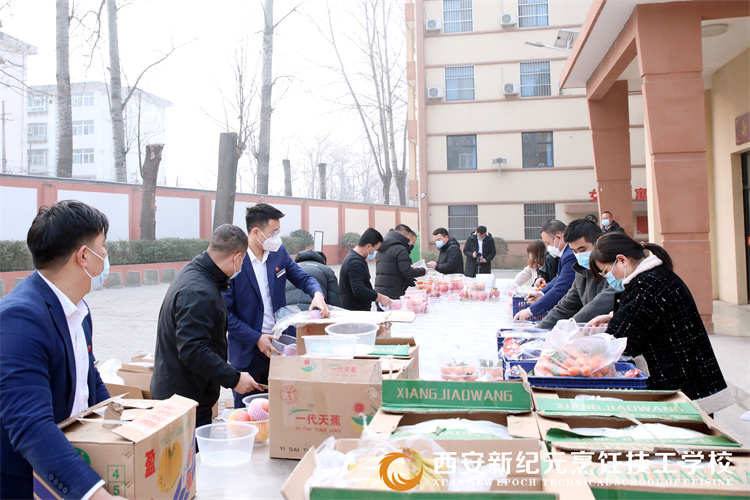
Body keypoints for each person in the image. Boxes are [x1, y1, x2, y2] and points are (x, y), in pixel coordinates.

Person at [0, 200, 117, 500]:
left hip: (71, 459)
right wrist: (94, 495)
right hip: (28, 481)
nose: (106, 256)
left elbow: (89, 377)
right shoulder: (20, 318)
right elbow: (31, 425)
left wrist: (121, 421)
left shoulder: (78, 308)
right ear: (84, 256)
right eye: (103, 247)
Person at [586, 232, 733, 414]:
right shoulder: (656, 276)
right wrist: (612, 316)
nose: (610, 277)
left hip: (681, 383)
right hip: (685, 375)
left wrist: (582, 349)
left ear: (622, 260)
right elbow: (646, 315)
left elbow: (620, 340)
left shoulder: (646, 285)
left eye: (606, 271)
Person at [151, 224, 261, 430]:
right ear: (237, 258)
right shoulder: (199, 291)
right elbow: (192, 349)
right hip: (183, 400)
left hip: (183, 391)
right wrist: (234, 378)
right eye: (244, 260)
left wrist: (220, 359)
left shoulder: (197, 274)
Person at [224, 204, 330, 408]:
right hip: (248, 352)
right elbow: (225, 315)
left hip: (280, 347)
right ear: (256, 232)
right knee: (250, 413)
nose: (277, 237)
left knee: (284, 408)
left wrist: (317, 294)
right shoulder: (235, 261)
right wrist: (256, 338)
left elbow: (303, 278)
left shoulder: (277, 252)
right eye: (273, 232)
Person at [537, 219, 615, 328]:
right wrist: (539, 330)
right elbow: (566, 305)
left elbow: (600, 304)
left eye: (582, 249)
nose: (579, 255)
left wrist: (570, 326)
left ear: (598, 242)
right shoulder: (581, 271)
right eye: (574, 251)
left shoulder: (614, 269)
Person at [513, 220, 576, 321]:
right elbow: (559, 278)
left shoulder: (570, 255)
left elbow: (562, 287)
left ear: (558, 237)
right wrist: (542, 293)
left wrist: (530, 311)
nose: (548, 247)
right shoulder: (565, 254)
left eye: (548, 243)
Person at [339, 228, 392, 311]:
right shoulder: (355, 262)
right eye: (376, 250)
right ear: (369, 246)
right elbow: (359, 289)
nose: (375, 253)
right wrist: (380, 297)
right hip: (355, 311)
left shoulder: (356, 258)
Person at [374, 224, 426, 299]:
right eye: (409, 240)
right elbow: (406, 272)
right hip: (392, 293)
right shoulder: (400, 249)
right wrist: (423, 271)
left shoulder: (383, 246)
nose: (409, 244)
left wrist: (412, 282)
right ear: (403, 235)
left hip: (380, 292)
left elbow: (393, 269)